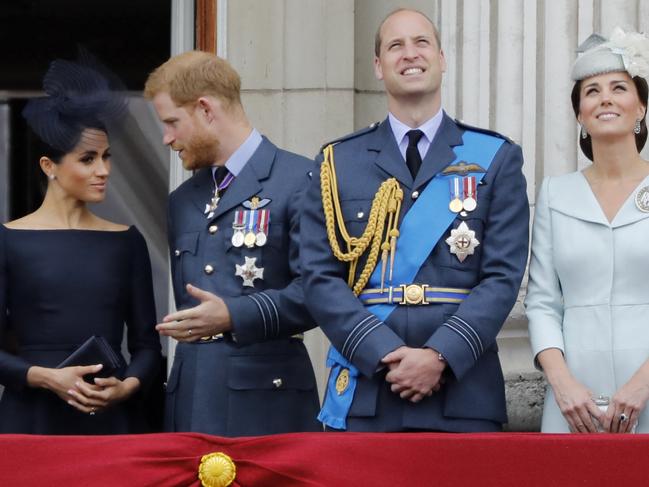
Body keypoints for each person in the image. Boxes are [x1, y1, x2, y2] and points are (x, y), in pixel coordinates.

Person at [300, 8, 529, 432]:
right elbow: (318, 277)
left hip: (463, 392)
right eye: (395, 46)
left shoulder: (495, 158)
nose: (410, 54)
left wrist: (440, 355)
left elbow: (502, 277)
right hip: (369, 389)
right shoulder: (337, 162)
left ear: (441, 58)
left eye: (421, 42)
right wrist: (383, 353)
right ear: (378, 66)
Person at [144, 51, 320, 436]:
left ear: (206, 109)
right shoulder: (183, 200)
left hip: (267, 401)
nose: (167, 138)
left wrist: (234, 315)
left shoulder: (300, 179)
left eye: (173, 122)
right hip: (190, 397)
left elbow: (318, 293)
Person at [0, 55, 161, 434]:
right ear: (48, 166)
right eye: (87, 159)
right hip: (32, 420)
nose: (103, 170)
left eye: (106, 157)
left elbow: (147, 346)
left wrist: (127, 386)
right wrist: (44, 377)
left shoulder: (127, 242)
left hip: (111, 419)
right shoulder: (8, 239)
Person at [526, 28, 649, 434]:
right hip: (573, 403)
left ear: (641, 108)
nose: (606, 98)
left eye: (619, 87)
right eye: (592, 91)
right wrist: (562, 385)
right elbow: (543, 301)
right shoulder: (555, 194)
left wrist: (640, 385)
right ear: (580, 114)